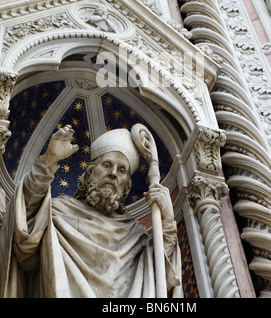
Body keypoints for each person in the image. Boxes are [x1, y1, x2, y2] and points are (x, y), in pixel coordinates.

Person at [0, 125, 182, 298]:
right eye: (106, 164)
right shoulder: (58, 212)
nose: (113, 173)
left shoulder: (135, 236)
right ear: (89, 173)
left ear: (127, 185)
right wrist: (48, 160)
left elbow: (161, 279)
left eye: (122, 170)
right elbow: (23, 225)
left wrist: (166, 221)